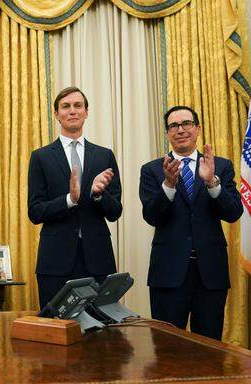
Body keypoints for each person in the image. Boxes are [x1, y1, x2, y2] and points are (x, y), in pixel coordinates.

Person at [139, 105, 242, 340]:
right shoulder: (152, 170)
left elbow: (234, 212)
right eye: (173, 126)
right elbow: (151, 217)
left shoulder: (221, 166)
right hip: (168, 273)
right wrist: (168, 185)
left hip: (210, 272)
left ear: (197, 129)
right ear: (167, 133)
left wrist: (212, 183)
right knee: (167, 348)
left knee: (209, 348)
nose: (180, 129)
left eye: (186, 123)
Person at [27, 87, 122, 309]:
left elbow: (115, 211)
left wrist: (99, 195)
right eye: (66, 106)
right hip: (55, 262)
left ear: (86, 112)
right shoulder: (41, 157)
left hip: (98, 259)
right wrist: (69, 199)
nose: (72, 111)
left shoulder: (104, 155)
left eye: (78, 106)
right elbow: (35, 211)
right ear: (56, 114)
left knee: (101, 333)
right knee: (57, 331)